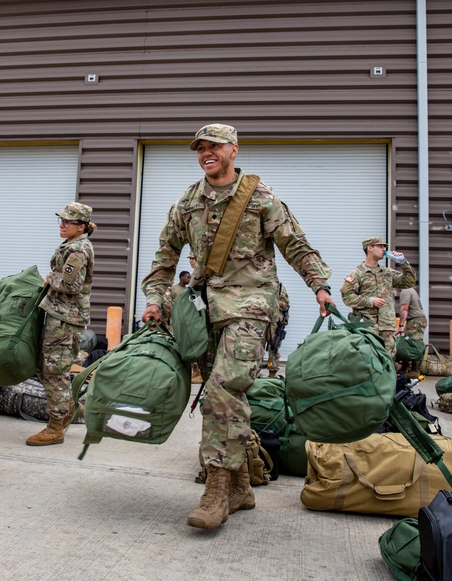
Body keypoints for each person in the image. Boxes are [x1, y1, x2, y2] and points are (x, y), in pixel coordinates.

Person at [141, 123, 334, 531]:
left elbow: (294, 243)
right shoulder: (188, 201)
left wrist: (319, 285)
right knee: (228, 400)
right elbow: (164, 256)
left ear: (234, 150)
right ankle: (242, 485)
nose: (206, 153)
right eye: (200, 148)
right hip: (202, 310)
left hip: (250, 306)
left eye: (214, 147)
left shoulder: (260, 196)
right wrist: (156, 300)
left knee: (222, 390)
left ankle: (215, 489)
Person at [27, 202, 95, 446]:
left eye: (68, 221)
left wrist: (51, 277)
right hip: (59, 316)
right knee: (43, 367)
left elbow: (70, 285)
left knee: (55, 371)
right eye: (62, 220)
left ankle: (55, 427)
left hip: (66, 320)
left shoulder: (78, 250)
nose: (63, 224)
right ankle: (69, 408)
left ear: (81, 227)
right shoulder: (71, 245)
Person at [341, 237, 415, 357]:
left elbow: (409, 282)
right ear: (370, 248)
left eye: (384, 246)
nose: (384, 249)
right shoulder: (357, 273)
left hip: (386, 327)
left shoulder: (387, 273)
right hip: (367, 326)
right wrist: (370, 301)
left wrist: (403, 263)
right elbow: (347, 297)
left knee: (388, 361)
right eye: (380, 246)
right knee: (368, 359)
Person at [264, 282, 289, 377]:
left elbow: (286, 306)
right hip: (261, 321)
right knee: (257, 348)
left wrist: (275, 302)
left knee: (273, 349)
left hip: (275, 324)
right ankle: (255, 373)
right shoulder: (259, 284)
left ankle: (272, 373)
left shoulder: (280, 288)